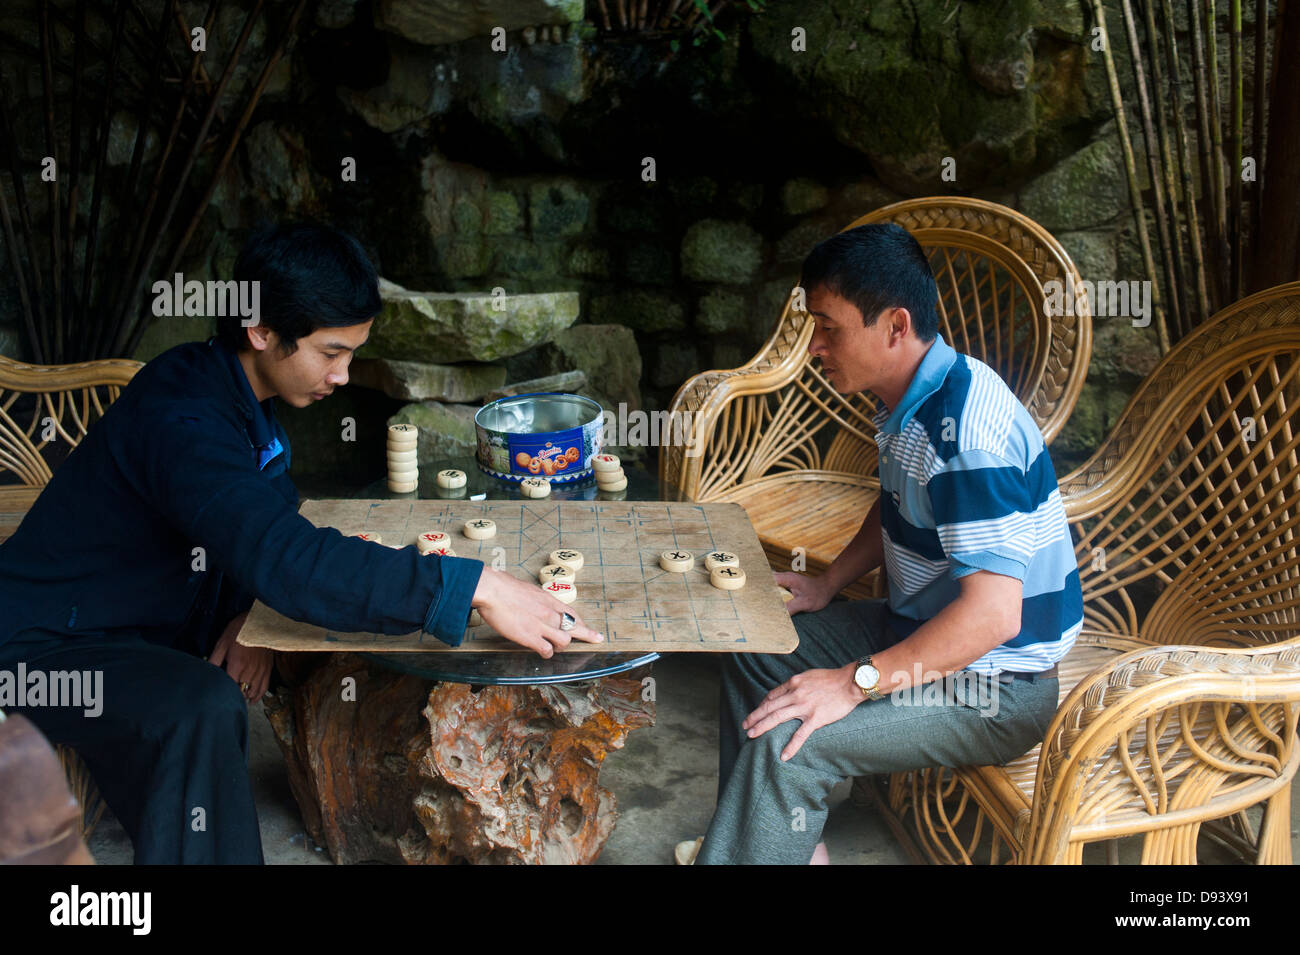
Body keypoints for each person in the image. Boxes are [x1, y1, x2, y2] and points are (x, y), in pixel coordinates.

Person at [0, 222, 602, 864]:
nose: (343, 376)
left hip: (135, 630)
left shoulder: (238, 392)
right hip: (38, 648)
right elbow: (284, 556)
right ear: (261, 330)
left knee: (273, 659)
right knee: (199, 707)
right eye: (331, 353)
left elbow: (258, 517)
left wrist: (247, 614)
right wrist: (476, 585)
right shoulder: (180, 415)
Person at [691, 223, 1082, 865]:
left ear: (895, 327)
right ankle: (783, 842)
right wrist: (827, 583)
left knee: (795, 738)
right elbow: (899, 501)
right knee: (756, 643)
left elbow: (992, 616)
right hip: (915, 629)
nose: (814, 347)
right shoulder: (911, 395)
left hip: (996, 683)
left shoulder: (968, 438)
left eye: (829, 327)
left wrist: (855, 682)